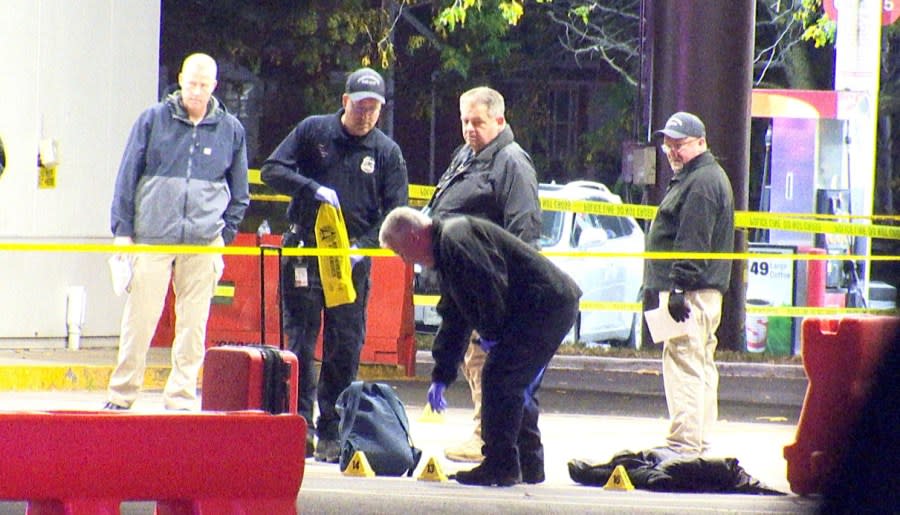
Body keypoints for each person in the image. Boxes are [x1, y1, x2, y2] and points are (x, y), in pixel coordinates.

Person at [260, 67, 409, 463]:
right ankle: (298, 427)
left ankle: (331, 429)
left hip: (350, 264)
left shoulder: (386, 153)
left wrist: (363, 247)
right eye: (360, 106)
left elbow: (398, 213)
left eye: (373, 108)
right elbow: (272, 170)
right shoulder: (314, 132)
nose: (366, 114)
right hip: (306, 253)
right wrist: (311, 189)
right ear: (345, 102)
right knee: (301, 345)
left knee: (345, 347)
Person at [379, 207, 581, 486]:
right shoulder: (448, 250)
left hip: (544, 305)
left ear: (413, 237)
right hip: (546, 304)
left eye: (400, 252)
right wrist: (441, 375)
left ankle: (501, 465)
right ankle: (528, 464)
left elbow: (490, 283)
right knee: (513, 382)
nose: (404, 261)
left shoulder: (456, 240)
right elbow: (454, 319)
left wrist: (493, 331)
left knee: (500, 377)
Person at [106, 53, 250, 411]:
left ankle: (181, 397)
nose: (196, 91)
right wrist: (123, 230)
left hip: (203, 244)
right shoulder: (153, 120)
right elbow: (127, 175)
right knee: (139, 320)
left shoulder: (231, 130)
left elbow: (240, 191)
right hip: (152, 236)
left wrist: (224, 235)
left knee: (193, 326)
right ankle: (122, 394)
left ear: (215, 87)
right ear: (180, 80)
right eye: (191, 83)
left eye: (204, 85)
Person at [423, 86, 541, 463]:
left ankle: (488, 436)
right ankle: (497, 437)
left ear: (499, 120)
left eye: (477, 121)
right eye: (464, 121)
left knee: (487, 364)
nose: (469, 129)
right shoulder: (468, 156)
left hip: (493, 284)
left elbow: (524, 230)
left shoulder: (511, 162)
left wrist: (510, 292)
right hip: (466, 283)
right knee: (475, 361)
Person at [644, 111, 735, 457]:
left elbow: (693, 239)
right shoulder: (700, 177)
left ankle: (684, 443)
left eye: (679, 145)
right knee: (699, 361)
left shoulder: (701, 183)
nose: (671, 151)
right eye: (668, 144)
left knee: (683, 359)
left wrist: (679, 288)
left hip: (691, 290)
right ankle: (699, 440)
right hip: (699, 289)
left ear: (701, 142)